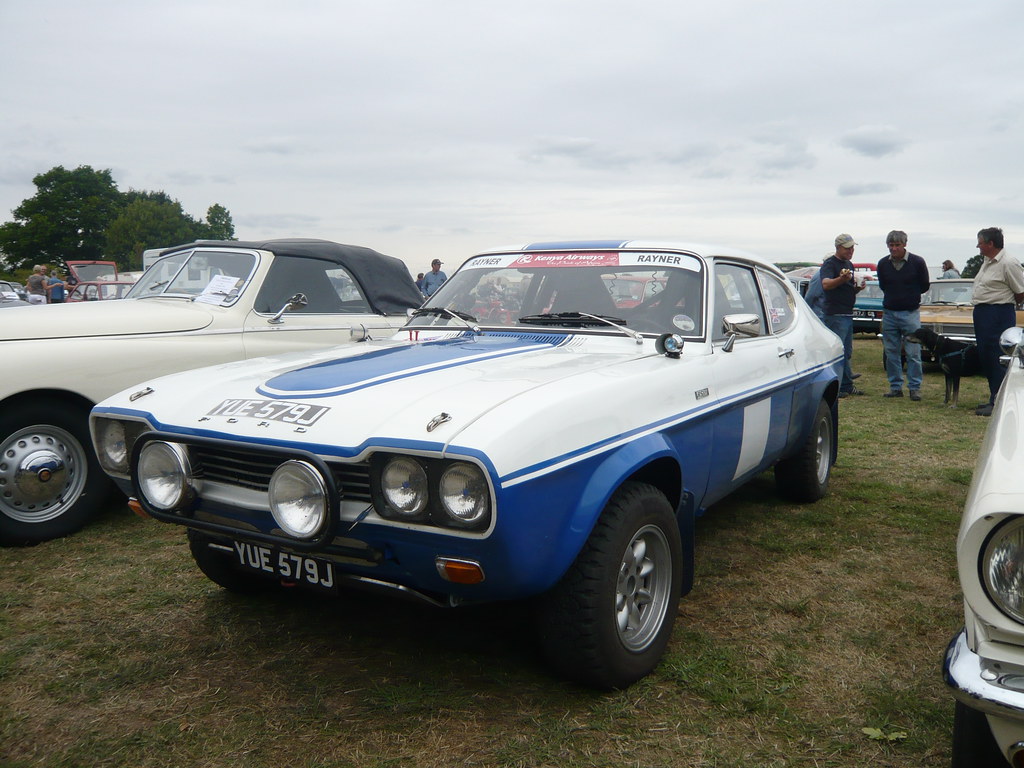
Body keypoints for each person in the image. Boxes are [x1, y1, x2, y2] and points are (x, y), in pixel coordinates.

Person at [971, 227, 1024, 416]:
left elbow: (1020, 291)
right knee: (986, 355)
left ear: (990, 244)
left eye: (980, 242)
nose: (978, 246)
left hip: (998, 312)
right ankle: (994, 396)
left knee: (997, 356)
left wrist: (1002, 307)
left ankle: (1000, 402)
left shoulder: (1008, 263)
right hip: (983, 312)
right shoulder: (987, 261)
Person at [876, 231, 930, 401]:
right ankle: (895, 387)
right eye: (891, 245)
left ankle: (914, 388)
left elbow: (924, 286)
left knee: (913, 352)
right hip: (890, 313)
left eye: (897, 245)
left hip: (910, 313)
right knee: (891, 352)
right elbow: (883, 285)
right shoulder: (883, 264)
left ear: (904, 245)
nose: (894, 248)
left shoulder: (918, 262)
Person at [821, 234, 866, 397]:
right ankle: (836, 387)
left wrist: (857, 289)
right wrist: (841, 279)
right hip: (834, 314)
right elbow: (826, 284)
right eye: (847, 248)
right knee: (837, 352)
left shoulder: (849, 264)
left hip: (847, 313)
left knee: (846, 352)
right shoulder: (830, 264)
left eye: (852, 247)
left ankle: (846, 385)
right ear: (838, 248)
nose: (851, 251)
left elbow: (847, 287)